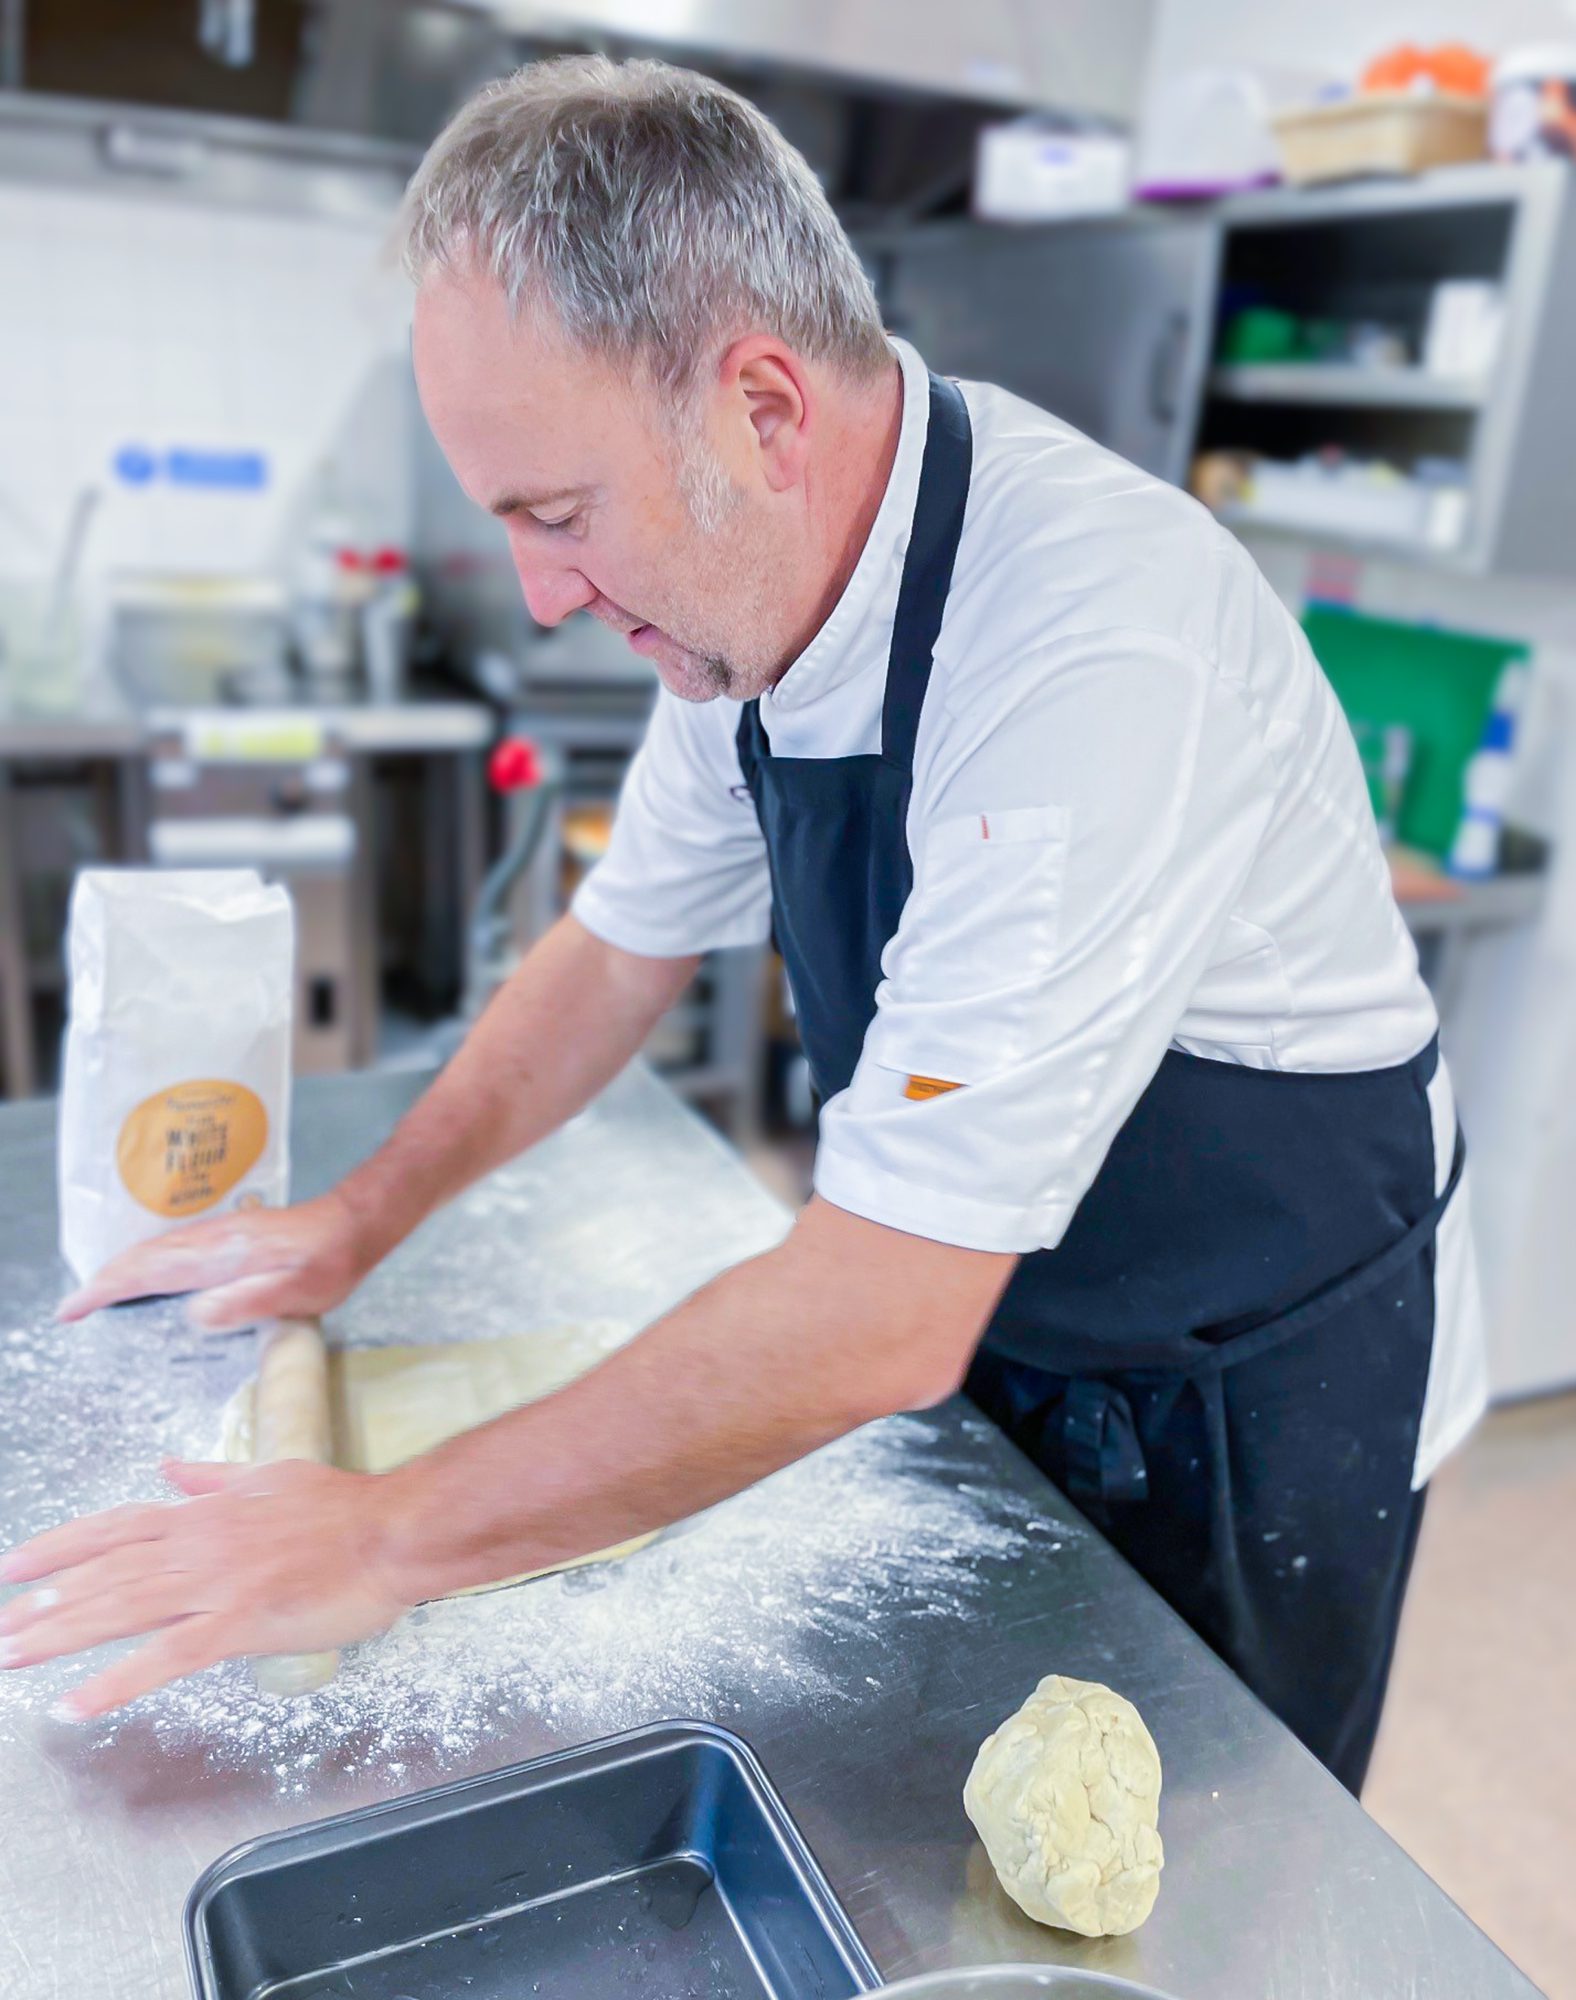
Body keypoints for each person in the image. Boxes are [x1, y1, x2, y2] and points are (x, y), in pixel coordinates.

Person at [0, 57, 1485, 1793]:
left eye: (558, 515)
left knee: (1211, 1873)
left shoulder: (1089, 644)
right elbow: (616, 947)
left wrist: (380, 1538)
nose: (545, 590)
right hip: (1013, 1305)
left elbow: (876, 1310)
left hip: (1253, 1391)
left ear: (761, 409)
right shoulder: (758, 593)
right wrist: (355, 1218)